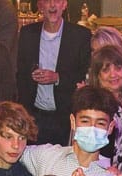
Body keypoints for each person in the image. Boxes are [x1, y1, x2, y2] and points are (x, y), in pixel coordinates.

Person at [16, 0, 91, 145]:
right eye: (47, 1)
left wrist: (57, 78)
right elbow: (20, 75)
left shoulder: (80, 35)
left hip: (65, 118)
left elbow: (85, 76)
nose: (52, 5)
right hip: (34, 117)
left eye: (57, 1)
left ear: (64, 4)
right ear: (39, 6)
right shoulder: (27, 33)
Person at [87, 45, 122, 174]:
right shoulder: (96, 106)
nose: (113, 74)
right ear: (97, 75)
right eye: (106, 70)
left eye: (118, 68)